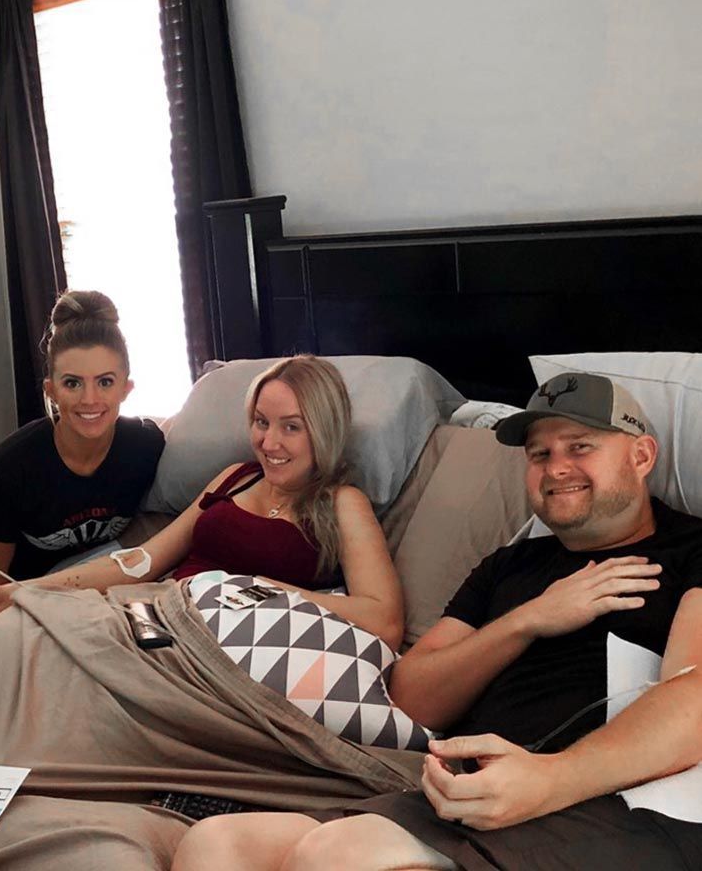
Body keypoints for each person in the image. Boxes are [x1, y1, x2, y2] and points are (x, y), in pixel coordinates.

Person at [171, 371, 702, 871]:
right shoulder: (508, 567)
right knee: (217, 844)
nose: (556, 468)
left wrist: (551, 779)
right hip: (462, 795)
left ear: (641, 455)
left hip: (607, 803)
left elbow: (694, 697)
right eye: (540, 454)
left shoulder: (692, 551)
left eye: (579, 447)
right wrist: (530, 620)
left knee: (336, 855)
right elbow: (413, 696)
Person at [0, 354, 404, 649]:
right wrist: (18, 594)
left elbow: (384, 621)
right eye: (261, 422)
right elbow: (140, 562)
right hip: (154, 617)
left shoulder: (342, 503)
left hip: (218, 646)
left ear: (324, 429)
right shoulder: (235, 478)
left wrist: (270, 592)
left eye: (291, 427)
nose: (269, 442)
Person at [0, 290, 164, 583]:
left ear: (126, 388)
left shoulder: (146, 447)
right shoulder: (10, 468)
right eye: (72, 383)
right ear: (51, 391)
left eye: (105, 382)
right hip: (12, 586)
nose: (90, 399)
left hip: (93, 583)